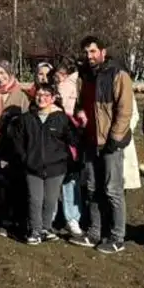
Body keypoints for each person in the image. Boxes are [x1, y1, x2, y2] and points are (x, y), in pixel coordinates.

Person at [73, 35, 135, 255]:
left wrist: (115, 138)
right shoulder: (84, 76)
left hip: (109, 142)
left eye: (92, 51)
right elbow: (80, 104)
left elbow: (124, 109)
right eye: (86, 52)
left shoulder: (118, 75)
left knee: (112, 190)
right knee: (91, 188)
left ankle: (118, 236)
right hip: (89, 141)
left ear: (102, 51)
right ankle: (94, 232)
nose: (89, 56)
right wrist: (79, 115)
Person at [13, 84, 76, 245]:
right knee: (35, 199)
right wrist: (25, 158)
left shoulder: (60, 118)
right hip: (32, 167)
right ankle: (35, 230)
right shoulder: (27, 118)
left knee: (50, 200)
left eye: (46, 95)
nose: (42, 98)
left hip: (55, 167)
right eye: (39, 94)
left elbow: (72, 139)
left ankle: (46, 228)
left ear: (53, 98)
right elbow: (18, 141)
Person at [0, 60, 30, 237]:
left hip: (14, 145)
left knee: (15, 184)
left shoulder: (21, 94)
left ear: (10, 73)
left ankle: (16, 220)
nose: (0, 77)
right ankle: (1, 220)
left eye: (3, 73)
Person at [54, 60, 85, 241]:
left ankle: (72, 217)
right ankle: (57, 216)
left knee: (70, 179)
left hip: (72, 135)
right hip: (60, 135)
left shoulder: (75, 85)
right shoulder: (60, 88)